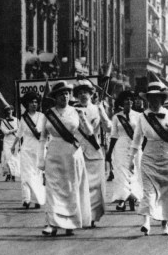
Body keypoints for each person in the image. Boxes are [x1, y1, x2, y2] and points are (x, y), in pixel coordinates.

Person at [129, 82, 168, 236]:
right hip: (149, 157)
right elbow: (136, 140)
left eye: (157, 98)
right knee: (148, 191)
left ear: (162, 100)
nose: (154, 102)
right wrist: (131, 160)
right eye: (151, 99)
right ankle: (146, 222)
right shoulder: (142, 117)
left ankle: (164, 224)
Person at [40, 81, 91, 237]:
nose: (65, 96)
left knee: (71, 188)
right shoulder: (48, 114)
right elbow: (43, 137)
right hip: (54, 152)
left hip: (72, 154)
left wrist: (83, 118)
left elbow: (89, 133)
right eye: (61, 93)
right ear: (55, 97)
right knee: (53, 188)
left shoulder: (76, 112)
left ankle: (70, 224)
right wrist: (40, 160)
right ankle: (52, 224)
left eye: (67, 93)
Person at [73, 79, 109, 227]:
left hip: (94, 151)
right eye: (80, 93)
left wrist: (104, 114)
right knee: (78, 185)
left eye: (86, 92)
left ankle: (93, 216)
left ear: (91, 94)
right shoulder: (71, 110)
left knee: (95, 186)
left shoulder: (97, 108)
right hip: (76, 151)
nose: (83, 95)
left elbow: (108, 128)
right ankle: (80, 215)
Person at [108, 90, 142, 212]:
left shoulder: (138, 116)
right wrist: (109, 152)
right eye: (126, 100)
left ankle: (133, 197)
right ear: (122, 102)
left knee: (134, 172)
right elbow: (113, 135)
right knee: (121, 173)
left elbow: (141, 134)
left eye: (130, 100)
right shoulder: (116, 117)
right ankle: (122, 200)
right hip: (120, 146)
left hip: (135, 146)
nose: (129, 102)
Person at [16, 92, 46, 209]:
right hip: (26, 149)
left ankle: (38, 199)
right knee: (26, 174)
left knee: (37, 174)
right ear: (26, 104)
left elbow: (46, 132)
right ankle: (26, 199)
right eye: (31, 102)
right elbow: (19, 133)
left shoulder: (42, 116)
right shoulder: (23, 118)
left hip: (39, 148)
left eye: (35, 102)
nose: (34, 104)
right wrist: (14, 146)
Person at [0, 106, 20, 182]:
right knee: (7, 157)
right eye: (7, 110)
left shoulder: (17, 120)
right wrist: (15, 129)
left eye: (10, 110)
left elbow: (20, 132)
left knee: (14, 158)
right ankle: (8, 174)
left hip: (15, 141)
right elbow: (5, 132)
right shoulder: (3, 121)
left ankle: (13, 174)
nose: (9, 111)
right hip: (7, 141)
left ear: (12, 110)